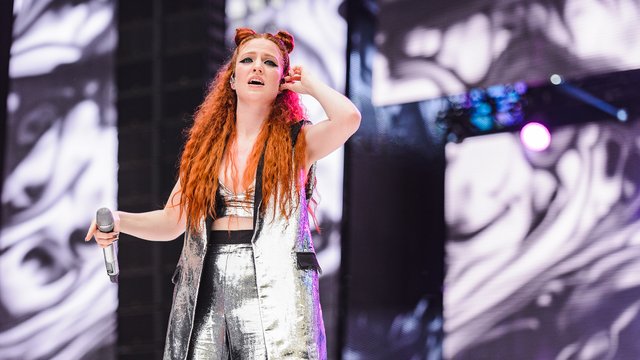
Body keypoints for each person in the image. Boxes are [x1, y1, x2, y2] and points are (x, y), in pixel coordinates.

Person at [85, 27, 360, 359]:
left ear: (282, 82)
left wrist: (311, 85)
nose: (257, 67)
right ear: (232, 80)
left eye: (270, 63)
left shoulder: (298, 141)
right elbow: (174, 220)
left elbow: (348, 118)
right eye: (247, 60)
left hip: (278, 284)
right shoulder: (205, 150)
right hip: (208, 279)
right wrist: (119, 220)